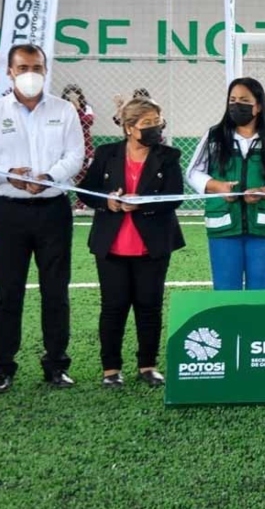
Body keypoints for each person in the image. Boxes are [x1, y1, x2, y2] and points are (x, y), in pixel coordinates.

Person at [0, 44, 84, 393]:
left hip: (54, 210)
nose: (30, 73)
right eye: (22, 67)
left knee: (56, 292)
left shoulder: (64, 110)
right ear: (9, 71)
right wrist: (9, 174)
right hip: (9, 213)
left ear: (46, 68)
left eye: (36, 66)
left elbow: (75, 155)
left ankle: (56, 365)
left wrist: (49, 178)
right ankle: (2, 368)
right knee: (8, 293)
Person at [77, 97, 185, 388]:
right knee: (113, 306)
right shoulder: (106, 154)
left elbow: (175, 196)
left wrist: (144, 204)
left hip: (152, 244)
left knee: (149, 306)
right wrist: (108, 202)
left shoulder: (169, 155)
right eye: (147, 123)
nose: (155, 128)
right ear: (128, 128)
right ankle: (110, 369)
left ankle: (148, 365)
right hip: (112, 244)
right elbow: (86, 191)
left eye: (157, 121)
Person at [187, 77, 265, 290]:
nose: (236, 105)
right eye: (232, 100)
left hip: (264, 228)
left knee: (261, 291)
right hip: (223, 227)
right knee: (226, 290)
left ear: (257, 106)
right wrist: (216, 186)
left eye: (244, 100)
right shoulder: (214, 136)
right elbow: (192, 173)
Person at [62, 84, 96, 211]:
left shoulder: (87, 108)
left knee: (82, 176)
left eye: (75, 94)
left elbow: (88, 121)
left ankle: (80, 203)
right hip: (65, 146)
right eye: (69, 95)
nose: (72, 97)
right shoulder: (61, 107)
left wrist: (77, 109)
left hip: (84, 147)